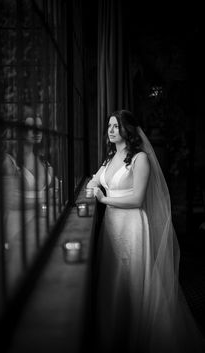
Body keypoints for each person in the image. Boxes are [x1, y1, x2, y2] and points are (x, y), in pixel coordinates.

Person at [87, 110, 205, 353]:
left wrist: (104, 200)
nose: (110, 130)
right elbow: (95, 181)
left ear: (127, 130)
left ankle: (137, 337)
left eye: (116, 126)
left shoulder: (140, 158)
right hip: (111, 227)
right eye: (109, 125)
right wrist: (91, 187)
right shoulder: (110, 158)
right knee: (114, 279)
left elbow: (137, 199)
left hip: (132, 226)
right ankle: (114, 335)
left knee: (133, 280)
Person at [0, 115, 54, 249]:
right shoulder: (9, 161)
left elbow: (51, 189)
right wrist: (45, 198)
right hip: (16, 231)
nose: (37, 132)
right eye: (31, 128)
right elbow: (7, 202)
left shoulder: (43, 160)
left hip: (42, 229)